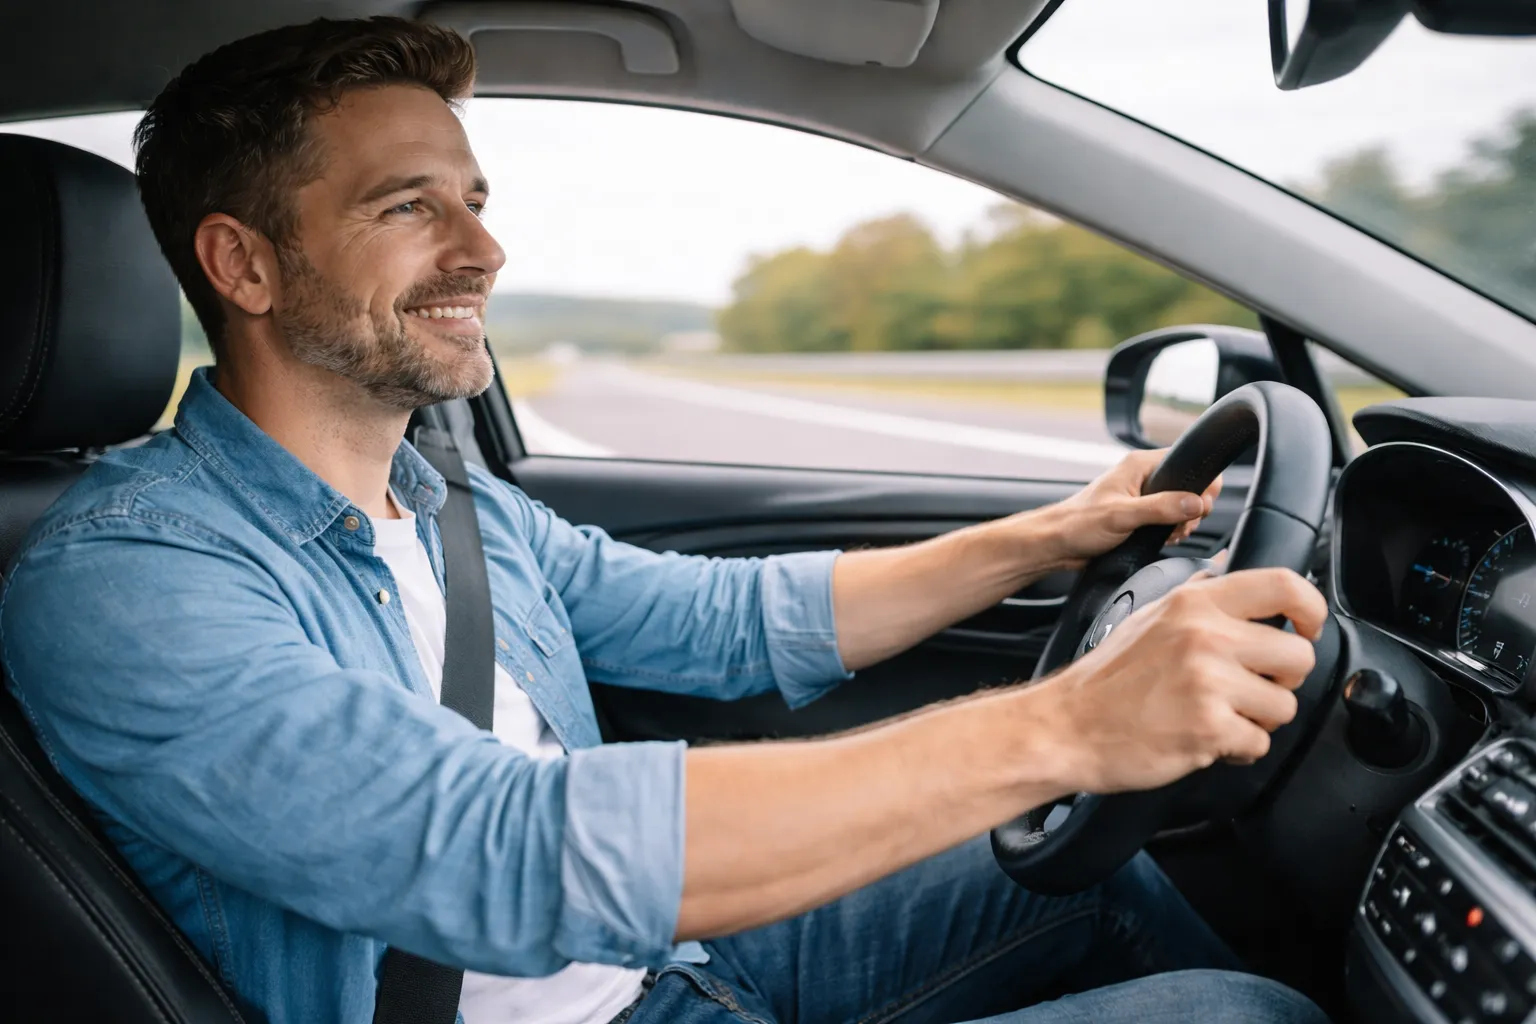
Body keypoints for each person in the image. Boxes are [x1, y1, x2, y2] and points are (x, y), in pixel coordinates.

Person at [0, 16, 1330, 1024]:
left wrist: (1050, 536)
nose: (483, 251)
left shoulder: (449, 505)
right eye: (408, 207)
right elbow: (495, 848)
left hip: (660, 969)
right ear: (240, 263)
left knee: (1094, 871)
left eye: (474, 202)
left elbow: (735, 620)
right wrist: (1065, 728)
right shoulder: (123, 581)